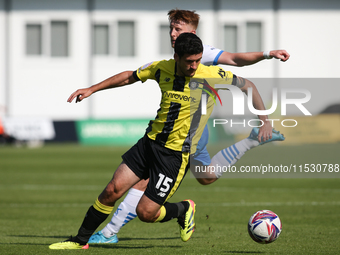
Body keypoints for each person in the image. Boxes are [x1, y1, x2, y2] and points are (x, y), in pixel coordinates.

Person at [49, 33, 273, 250]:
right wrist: (92, 89)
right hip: (149, 144)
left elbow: (248, 86)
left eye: (197, 60)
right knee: (111, 190)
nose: (194, 66)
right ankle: (79, 241)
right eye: (189, 62)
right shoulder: (160, 68)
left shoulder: (212, 75)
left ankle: (184, 209)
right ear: (176, 57)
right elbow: (130, 76)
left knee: (145, 213)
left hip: (175, 156)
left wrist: (264, 121)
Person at [88, 9, 288, 244]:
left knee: (145, 181)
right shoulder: (175, 58)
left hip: (187, 137)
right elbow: (134, 75)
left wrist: (267, 54)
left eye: (178, 29)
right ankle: (251, 140)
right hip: (182, 132)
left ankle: (110, 232)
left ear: (192, 33)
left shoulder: (202, 54)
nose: (172, 33)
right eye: (171, 28)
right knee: (206, 177)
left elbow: (236, 59)